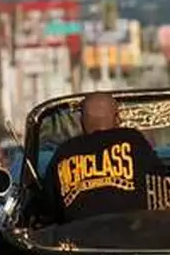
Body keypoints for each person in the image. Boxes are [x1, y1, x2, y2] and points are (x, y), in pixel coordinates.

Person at [43, 92, 163, 223]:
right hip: (131, 237)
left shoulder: (64, 152)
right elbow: (160, 185)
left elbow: (49, 206)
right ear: (117, 119)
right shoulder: (133, 141)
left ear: (81, 122)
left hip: (79, 240)